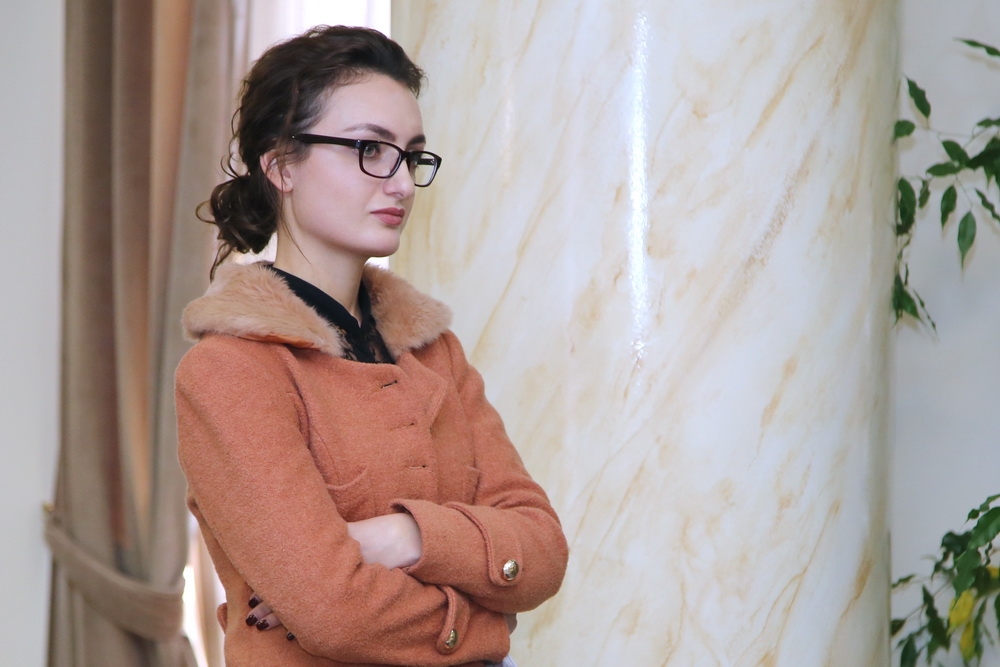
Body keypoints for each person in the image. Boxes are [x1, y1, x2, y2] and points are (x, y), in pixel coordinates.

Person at [174, 25, 569, 667]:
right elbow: (333, 612)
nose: (402, 183)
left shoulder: (433, 351)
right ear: (281, 165)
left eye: (411, 156)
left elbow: (543, 550)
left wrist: (401, 536)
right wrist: (486, 626)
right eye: (369, 149)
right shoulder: (230, 369)